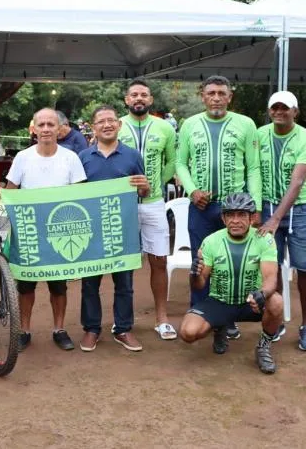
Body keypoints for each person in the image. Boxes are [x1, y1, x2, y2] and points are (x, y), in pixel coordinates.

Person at [0, 108, 87, 352]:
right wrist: (0, 193)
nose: (46, 129)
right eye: (41, 124)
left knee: (58, 285)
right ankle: (24, 330)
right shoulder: (23, 157)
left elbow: (81, 196)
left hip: (59, 231)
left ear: (60, 129)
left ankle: (59, 329)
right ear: (33, 129)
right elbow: (11, 190)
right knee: (26, 285)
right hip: (28, 231)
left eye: (50, 124)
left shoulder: (71, 158)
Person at [176, 75, 262, 340]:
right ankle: (204, 316)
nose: (216, 98)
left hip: (235, 209)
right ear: (202, 95)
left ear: (229, 96)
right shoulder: (190, 124)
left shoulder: (245, 124)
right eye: (211, 93)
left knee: (234, 263)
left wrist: (254, 206)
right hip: (201, 208)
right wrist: (192, 191)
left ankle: (229, 319)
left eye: (221, 93)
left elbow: (254, 167)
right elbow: (181, 164)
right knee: (201, 264)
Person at [179, 193, 283, 374]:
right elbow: (199, 285)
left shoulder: (264, 239)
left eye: (241, 215)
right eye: (230, 215)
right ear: (223, 218)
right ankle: (220, 327)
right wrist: (194, 273)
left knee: (276, 302)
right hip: (220, 301)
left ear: (252, 218)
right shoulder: (211, 241)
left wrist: (262, 294)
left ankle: (263, 347)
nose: (235, 220)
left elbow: (271, 278)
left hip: (252, 302)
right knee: (188, 333)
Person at [77, 105, 149, 352]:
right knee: (89, 283)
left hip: (123, 229)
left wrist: (143, 186)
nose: (106, 125)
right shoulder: (83, 157)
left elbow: (144, 191)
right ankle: (91, 329)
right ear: (93, 127)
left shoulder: (132, 156)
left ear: (119, 125)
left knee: (125, 283)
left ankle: (123, 328)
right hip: (91, 232)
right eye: (101, 121)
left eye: (111, 120)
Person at [258, 91, 306, 351]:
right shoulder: (259, 135)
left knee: (304, 268)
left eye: (286, 108)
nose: (280, 112)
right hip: (266, 208)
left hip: (298, 212)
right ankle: (277, 320)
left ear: (296, 111)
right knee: (272, 266)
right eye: (275, 108)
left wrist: (275, 218)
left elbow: (297, 182)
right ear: (270, 111)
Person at [118, 77, 178, 340]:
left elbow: (171, 162)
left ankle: (162, 318)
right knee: (124, 263)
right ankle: (123, 320)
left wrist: (156, 186)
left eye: (144, 95)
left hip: (153, 203)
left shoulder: (164, 127)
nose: (139, 98)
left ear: (151, 100)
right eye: (134, 95)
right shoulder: (116, 125)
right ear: (126, 100)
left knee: (159, 260)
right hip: (123, 204)